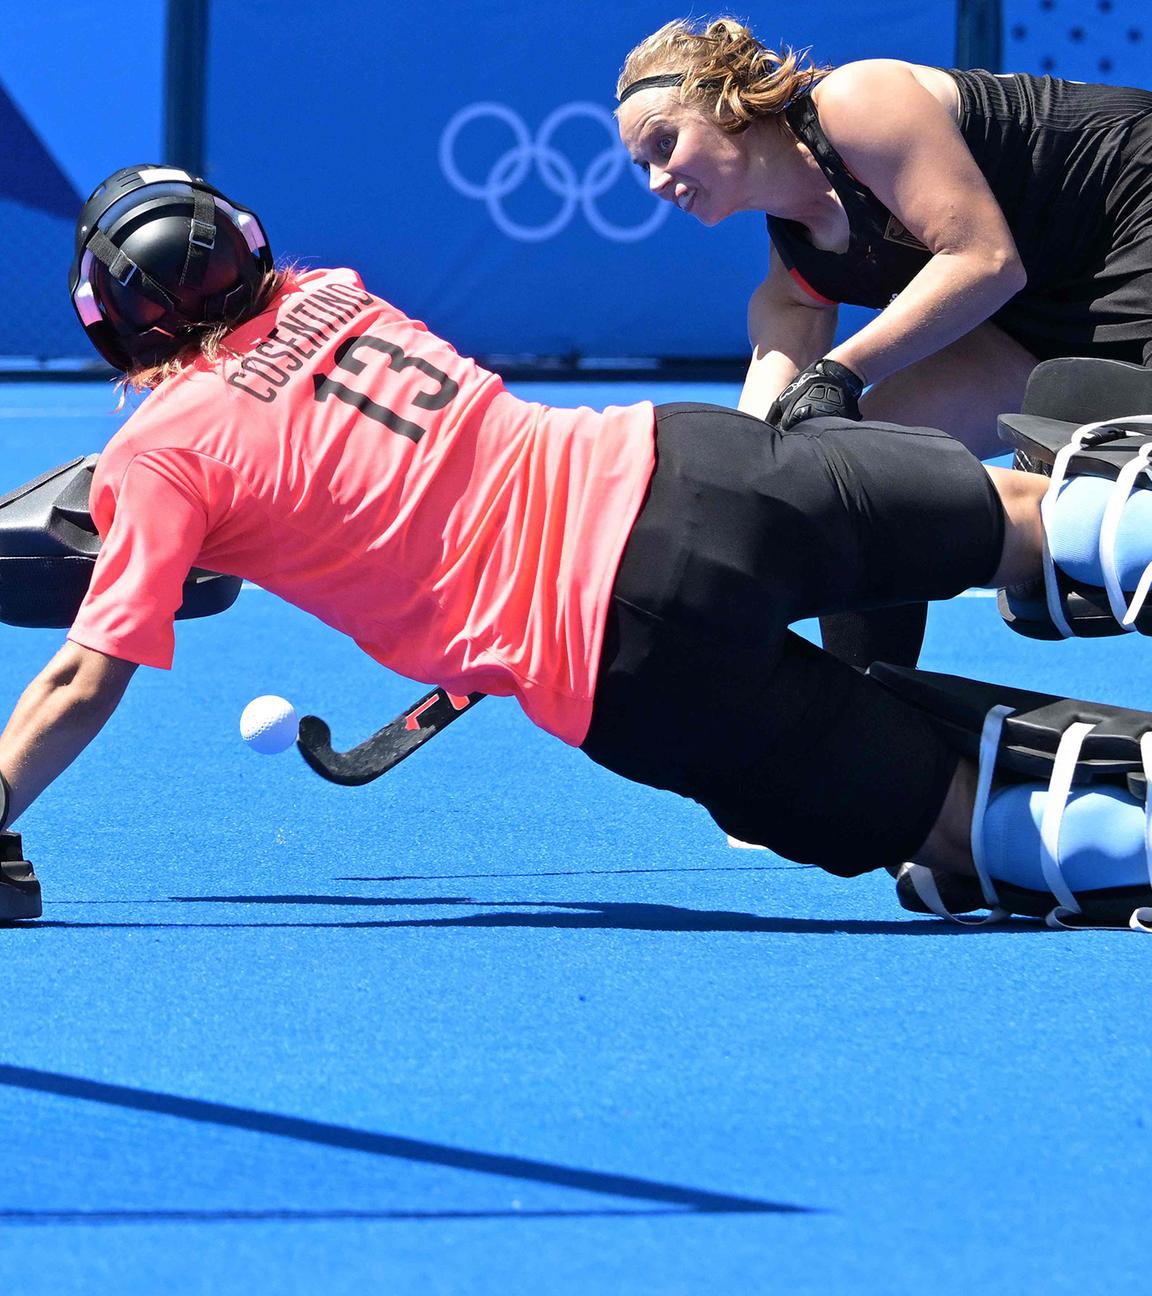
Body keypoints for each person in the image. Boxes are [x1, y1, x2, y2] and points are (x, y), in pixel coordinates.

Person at [0, 165, 1149, 926]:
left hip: (619, 665)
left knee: (971, 824)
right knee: (1050, 517)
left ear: (113, 327)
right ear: (244, 248)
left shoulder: (160, 455)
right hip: (697, 477)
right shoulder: (331, 296)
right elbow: (367, 471)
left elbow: (80, 675)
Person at [614, 17, 1152, 667]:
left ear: (725, 105)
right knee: (857, 469)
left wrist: (840, 368)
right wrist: (718, 502)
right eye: (643, 164)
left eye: (664, 143)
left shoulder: (857, 100)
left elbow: (983, 260)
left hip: (1133, 212)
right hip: (1038, 300)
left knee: (1128, 519)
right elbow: (750, 449)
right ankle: (874, 707)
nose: (656, 181)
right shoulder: (796, 275)